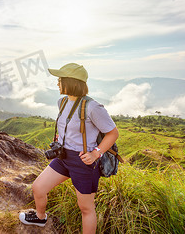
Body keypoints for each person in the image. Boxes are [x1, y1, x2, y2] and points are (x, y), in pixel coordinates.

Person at [19, 63, 119, 234]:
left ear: (72, 82)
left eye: (60, 79)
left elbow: (113, 133)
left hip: (83, 162)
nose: (57, 83)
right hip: (64, 156)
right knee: (38, 188)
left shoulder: (93, 107)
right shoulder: (63, 101)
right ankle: (41, 217)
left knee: (86, 208)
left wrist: (96, 154)